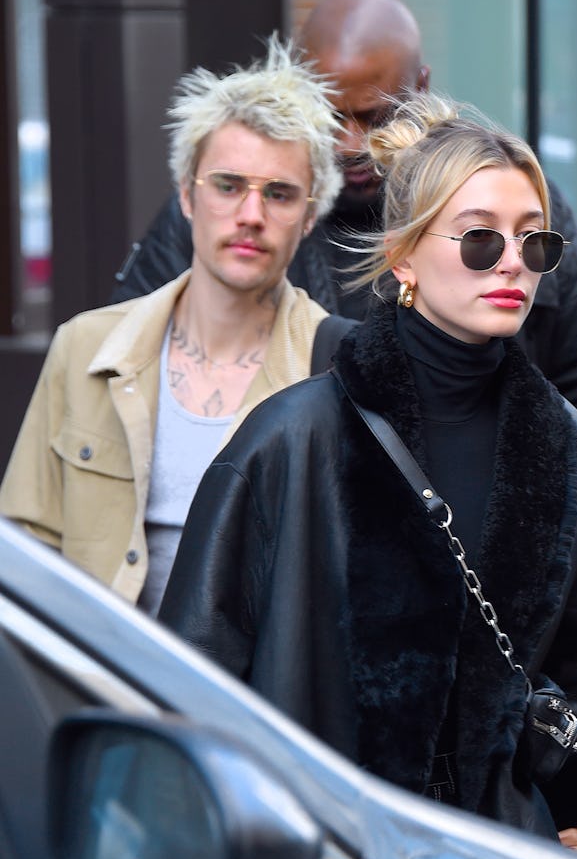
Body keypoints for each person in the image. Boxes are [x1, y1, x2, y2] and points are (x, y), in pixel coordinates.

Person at [159, 93, 577, 859]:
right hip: (325, 854)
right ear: (404, 255)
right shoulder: (293, 440)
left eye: (535, 241)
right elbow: (192, 677)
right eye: (481, 239)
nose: (515, 263)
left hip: (497, 854)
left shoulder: (558, 439)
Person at [111, 0, 577, 447]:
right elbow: (125, 364)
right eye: (330, 114)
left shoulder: (517, 211)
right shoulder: (236, 213)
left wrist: (556, 523)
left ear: (423, 87)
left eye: (378, 115)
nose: (352, 143)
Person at [0, 37, 342, 614]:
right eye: (228, 185)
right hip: (102, 687)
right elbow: (24, 555)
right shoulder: (85, 347)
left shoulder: (335, 369)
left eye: (279, 194)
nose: (250, 215)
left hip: (253, 700)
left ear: (308, 218)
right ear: (186, 195)